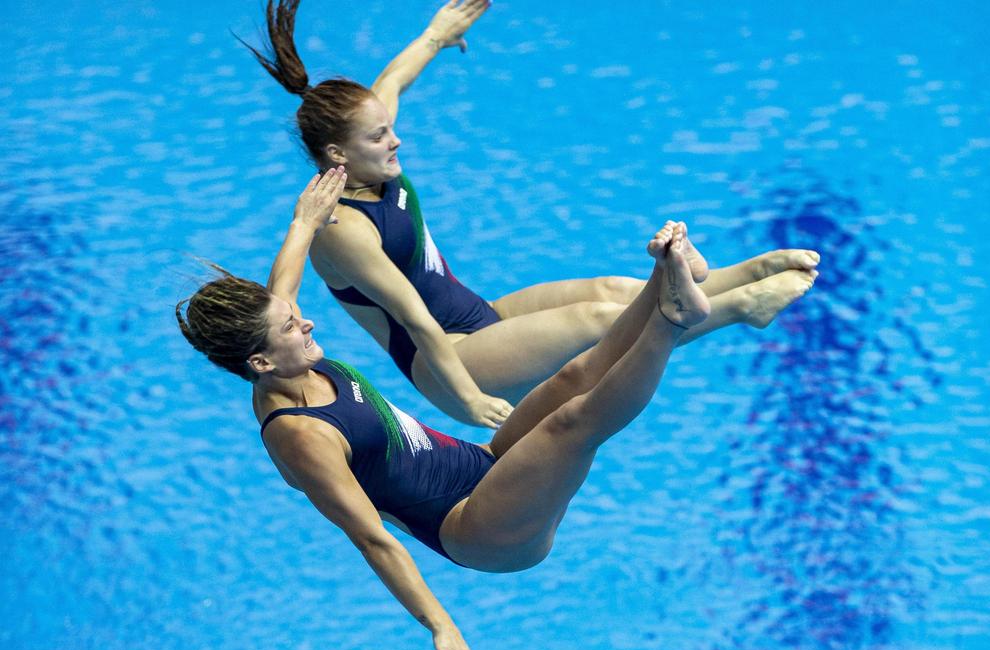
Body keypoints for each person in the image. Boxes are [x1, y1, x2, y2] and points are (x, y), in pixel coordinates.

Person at [176, 171, 818, 650]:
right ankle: (672, 320)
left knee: (573, 375)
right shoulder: (299, 437)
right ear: (260, 363)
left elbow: (281, 287)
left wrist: (304, 219)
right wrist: (443, 629)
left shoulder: (280, 348)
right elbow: (371, 536)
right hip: (476, 528)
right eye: (292, 325)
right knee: (574, 424)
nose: (306, 319)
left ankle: (662, 286)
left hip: (481, 464)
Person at [239, 0, 821, 429]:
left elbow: (392, 81)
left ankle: (741, 276)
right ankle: (742, 307)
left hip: (480, 315)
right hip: (452, 361)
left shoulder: (369, 160)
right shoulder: (342, 229)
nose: (396, 141)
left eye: (389, 129)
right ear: (338, 154)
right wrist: (467, 400)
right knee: (598, 321)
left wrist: (437, 34)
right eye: (379, 136)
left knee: (614, 287)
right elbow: (415, 319)